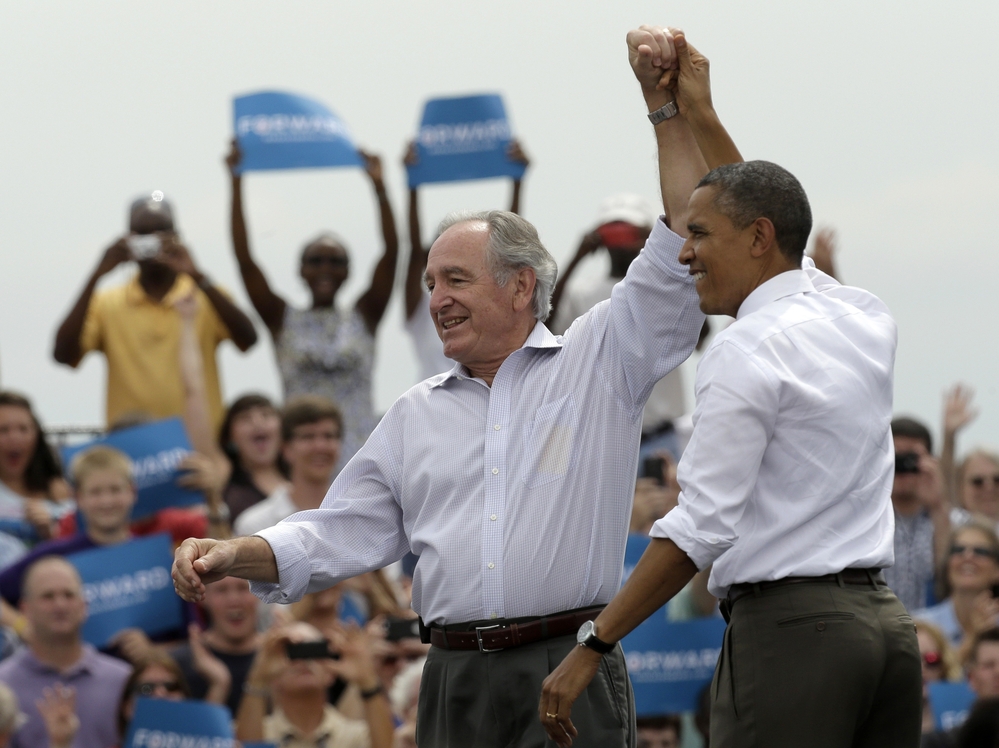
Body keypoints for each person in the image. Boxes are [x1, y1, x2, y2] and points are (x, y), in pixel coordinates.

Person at [174, 22, 707, 748]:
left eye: (455, 279)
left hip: (568, 666)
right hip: (449, 678)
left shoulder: (600, 362)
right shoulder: (412, 415)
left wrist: (666, 110)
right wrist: (234, 552)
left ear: (522, 287)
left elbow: (682, 237)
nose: (436, 299)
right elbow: (337, 533)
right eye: (429, 283)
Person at [540, 26, 920, 748]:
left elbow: (700, 526)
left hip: (793, 638)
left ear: (754, 241)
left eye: (699, 236)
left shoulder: (744, 349)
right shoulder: (861, 314)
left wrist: (594, 643)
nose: (683, 253)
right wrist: (683, 111)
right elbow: (756, 206)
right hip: (884, 632)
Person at [226, 143, 398, 471]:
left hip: (360, 461)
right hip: (300, 465)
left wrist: (380, 188)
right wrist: (236, 182)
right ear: (300, 270)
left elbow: (392, 254)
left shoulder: (365, 314)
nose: (325, 269)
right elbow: (245, 261)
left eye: (336, 261)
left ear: (349, 271)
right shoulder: (281, 319)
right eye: (315, 261)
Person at [52, 193, 258, 431]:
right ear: (127, 239)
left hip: (200, 442)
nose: (152, 241)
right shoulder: (106, 303)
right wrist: (95, 277)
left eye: (161, 232)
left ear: (177, 237)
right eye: (142, 233)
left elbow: (248, 340)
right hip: (134, 445)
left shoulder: (204, 294)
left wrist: (198, 276)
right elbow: (63, 355)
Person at [549, 194, 689, 461]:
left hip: (660, 439)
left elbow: (701, 332)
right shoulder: (582, 292)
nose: (621, 239)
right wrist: (577, 257)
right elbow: (545, 328)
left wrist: (668, 251)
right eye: (612, 230)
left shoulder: (667, 287)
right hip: (601, 439)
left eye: (629, 231)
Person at [402, 139, 530, 380]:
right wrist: (412, 184)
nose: (441, 303)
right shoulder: (422, 310)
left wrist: (517, 180)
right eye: (432, 285)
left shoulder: (486, 302)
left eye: (458, 277)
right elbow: (411, 248)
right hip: (436, 411)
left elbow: (506, 248)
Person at [0, 556, 130, 748]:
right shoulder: (3, 685)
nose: (60, 605)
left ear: (84, 606)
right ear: (25, 609)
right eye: (48, 596)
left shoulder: (124, 681)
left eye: (68, 595)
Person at [235, 621, 393, 748]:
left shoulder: (353, 735)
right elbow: (249, 745)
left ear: (330, 673)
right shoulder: (259, 730)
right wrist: (259, 678)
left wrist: (367, 681)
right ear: (274, 676)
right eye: (294, 652)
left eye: (315, 650)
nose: (305, 661)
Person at [233, 396, 342, 537]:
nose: (320, 446)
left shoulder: (355, 515)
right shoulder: (255, 525)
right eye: (307, 437)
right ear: (286, 449)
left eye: (329, 436)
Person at [886, 416, 950, 613]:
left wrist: (937, 507)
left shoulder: (950, 520)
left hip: (933, 636)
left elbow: (949, 577)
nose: (903, 468)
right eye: (897, 458)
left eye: (911, 459)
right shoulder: (867, 520)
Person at [171, 575, 261, 716]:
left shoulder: (279, 656)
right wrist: (219, 685)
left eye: (243, 588)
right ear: (202, 597)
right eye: (221, 590)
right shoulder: (179, 664)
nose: (234, 600)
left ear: (261, 593)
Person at [0, 391, 72, 546]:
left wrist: (51, 533)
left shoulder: (60, 489)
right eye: (3, 430)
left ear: (37, 435)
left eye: (23, 429)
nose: (14, 437)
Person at [914, 522, 999, 652]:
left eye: (980, 551)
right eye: (958, 550)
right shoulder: (922, 625)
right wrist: (972, 636)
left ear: (996, 570)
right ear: (947, 564)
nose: (968, 556)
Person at [218, 394, 288, 523]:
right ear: (230, 436)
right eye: (245, 419)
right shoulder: (224, 487)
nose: (257, 423)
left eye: (266, 415)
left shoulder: (304, 479)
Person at [915, 619, 963, 734]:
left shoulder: (967, 711)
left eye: (931, 658)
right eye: (913, 659)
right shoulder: (881, 720)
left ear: (944, 664)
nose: (922, 668)